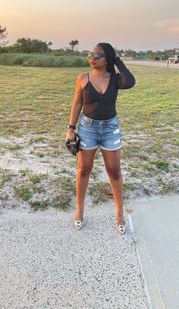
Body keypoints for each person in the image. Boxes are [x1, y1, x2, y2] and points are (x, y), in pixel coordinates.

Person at [66, 43, 136, 234]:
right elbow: (77, 104)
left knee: (114, 171)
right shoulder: (83, 78)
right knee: (84, 170)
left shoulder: (115, 79)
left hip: (110, 129)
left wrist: (118, 59)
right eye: (91, 54)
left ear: (108, 59)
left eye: (98, 55)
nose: (93, 57)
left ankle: (119, 213)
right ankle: (80, 210)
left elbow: (130, 81)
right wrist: (71, 128)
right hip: (87, 128)